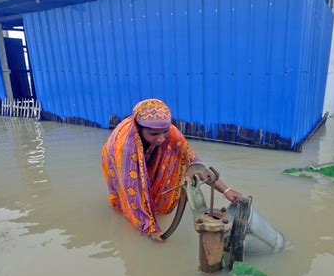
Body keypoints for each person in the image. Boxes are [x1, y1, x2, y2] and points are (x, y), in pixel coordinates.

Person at [101, 99, 242, 241]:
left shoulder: (171, 133)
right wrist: (150, 229)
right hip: (118, 159)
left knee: (151, 184)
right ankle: (142, 219)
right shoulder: (125, 147)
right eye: (154, 134)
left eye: (165, 132)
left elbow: (194, 164)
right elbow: (131, 190)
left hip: (149, 151)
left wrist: (226, 190)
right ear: (139, 128)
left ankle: (151, 208)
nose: (161, 139)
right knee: (128, 195)